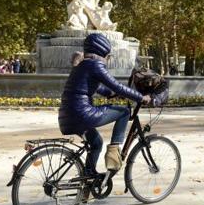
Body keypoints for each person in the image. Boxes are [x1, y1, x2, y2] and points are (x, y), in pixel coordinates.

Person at [58, 34, 151, 196]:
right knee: (123, 112)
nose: (108, 59)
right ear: (103, 52)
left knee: (96, 143)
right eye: (108, 55)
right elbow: (117, 86)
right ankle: (114, 154)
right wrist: (141, 97)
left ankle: (86, 185)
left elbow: (94, 87)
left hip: (67, 117)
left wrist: (110, 94)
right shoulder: (95, 65)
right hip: (83, 115)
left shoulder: (81, 65)